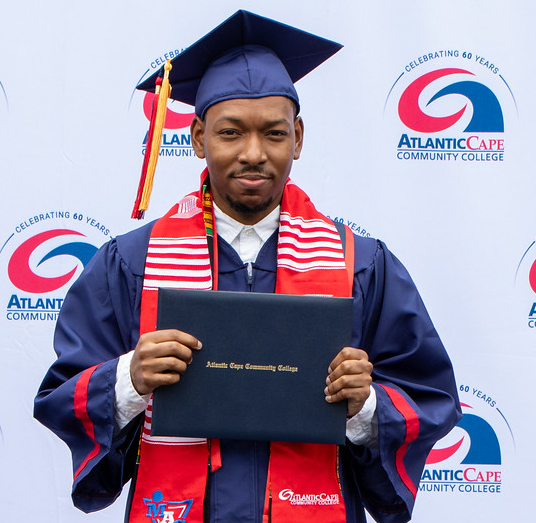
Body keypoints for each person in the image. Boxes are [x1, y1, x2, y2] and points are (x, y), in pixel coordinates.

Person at [34, 10, 461, 523]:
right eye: (231, 133)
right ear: (197, 138)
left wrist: (366, 406)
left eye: (274, 134)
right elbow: (63, 393)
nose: (253, 154)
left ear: (298, 139)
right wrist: (129, 378)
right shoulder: (132, 263)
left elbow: (429, 398)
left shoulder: (360, 265)